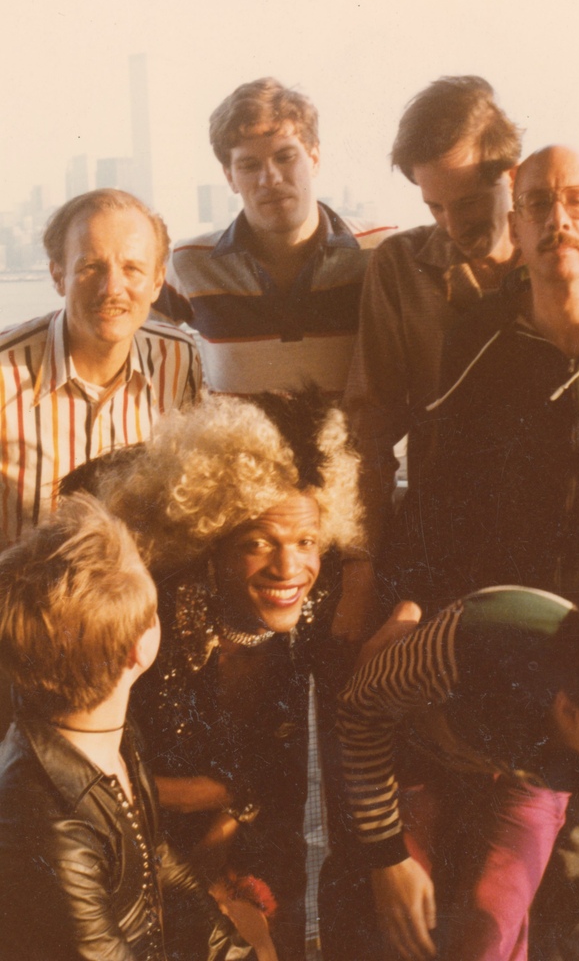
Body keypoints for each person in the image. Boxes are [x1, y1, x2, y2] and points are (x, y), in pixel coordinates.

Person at [392, 145, 579, 959]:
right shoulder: (482, 340)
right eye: (540, 204)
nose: (560, 219)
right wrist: (416, 606)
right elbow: (445, 497)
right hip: (548, 668)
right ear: (513, 228)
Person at [70, 389, 364, 961]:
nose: (289, 569)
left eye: (307, 542)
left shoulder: (318, 599)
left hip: (247, 834)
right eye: (259, 544)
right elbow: (90, 781)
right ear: (211, 542)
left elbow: (279, 762)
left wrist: (230, 808)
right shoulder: (149, 615)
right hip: (121, 846)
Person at [337, 564, 579, 961]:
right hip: (425, 741)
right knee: (402, 930)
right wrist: (388, 857)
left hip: (528, 777)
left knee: (485, 940)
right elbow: (359, 708)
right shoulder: (467, 645)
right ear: (569, 712)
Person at [0, 492, 254, 961]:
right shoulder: (51, 825)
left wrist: (236, 954)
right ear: (138, 650)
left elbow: (162, 866)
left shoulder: (108, 728)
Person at [343, 75, 522, 553]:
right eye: (435, 207)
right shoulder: (400, 265)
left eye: (468, 203)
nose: (454, 225)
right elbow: (371, 430)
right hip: (442, 538)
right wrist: (361, 569)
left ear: (514, 176)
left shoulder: (563, 261)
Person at [154, 76, 393, 403]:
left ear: (314, 158)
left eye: (285, 157)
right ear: (230, 177)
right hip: (236, 455)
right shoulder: (189, 262)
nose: (270, 179)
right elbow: (127, 344)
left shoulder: (380, 250)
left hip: (350, 456)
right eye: (250, 165)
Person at [0, 188, 202, 550]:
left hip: (137, 600)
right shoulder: (4, 372)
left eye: (132, 269)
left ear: (157, 281)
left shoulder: (178, 359)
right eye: (90, 267)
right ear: (58, 275)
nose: (112, 288)